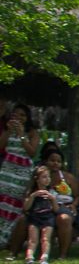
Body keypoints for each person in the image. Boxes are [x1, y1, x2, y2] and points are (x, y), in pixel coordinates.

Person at [0, 104, 40, 247]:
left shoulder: (32, 132)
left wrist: (22, 135)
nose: (20, 117)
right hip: (7, 169)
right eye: (16, 114)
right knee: (3, 201)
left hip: (22, 172)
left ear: (27, 117)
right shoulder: (7, 129)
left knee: (15, 204)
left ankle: (11, 238)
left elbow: (32, 153)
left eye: (22, 114)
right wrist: (9, 130)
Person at [23, 166, 56, 264]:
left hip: (48, 218)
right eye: (44, 177)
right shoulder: (32, 193)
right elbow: (26, 207)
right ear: (37, 179)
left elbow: (56, 209)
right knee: (33, 240)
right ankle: (29, 257)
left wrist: (53, 199)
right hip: (35, 218)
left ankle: (44, 257)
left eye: (48, 177)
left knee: (45, 239)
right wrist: (32, 196)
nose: (47, 179)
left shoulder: (51, 193)